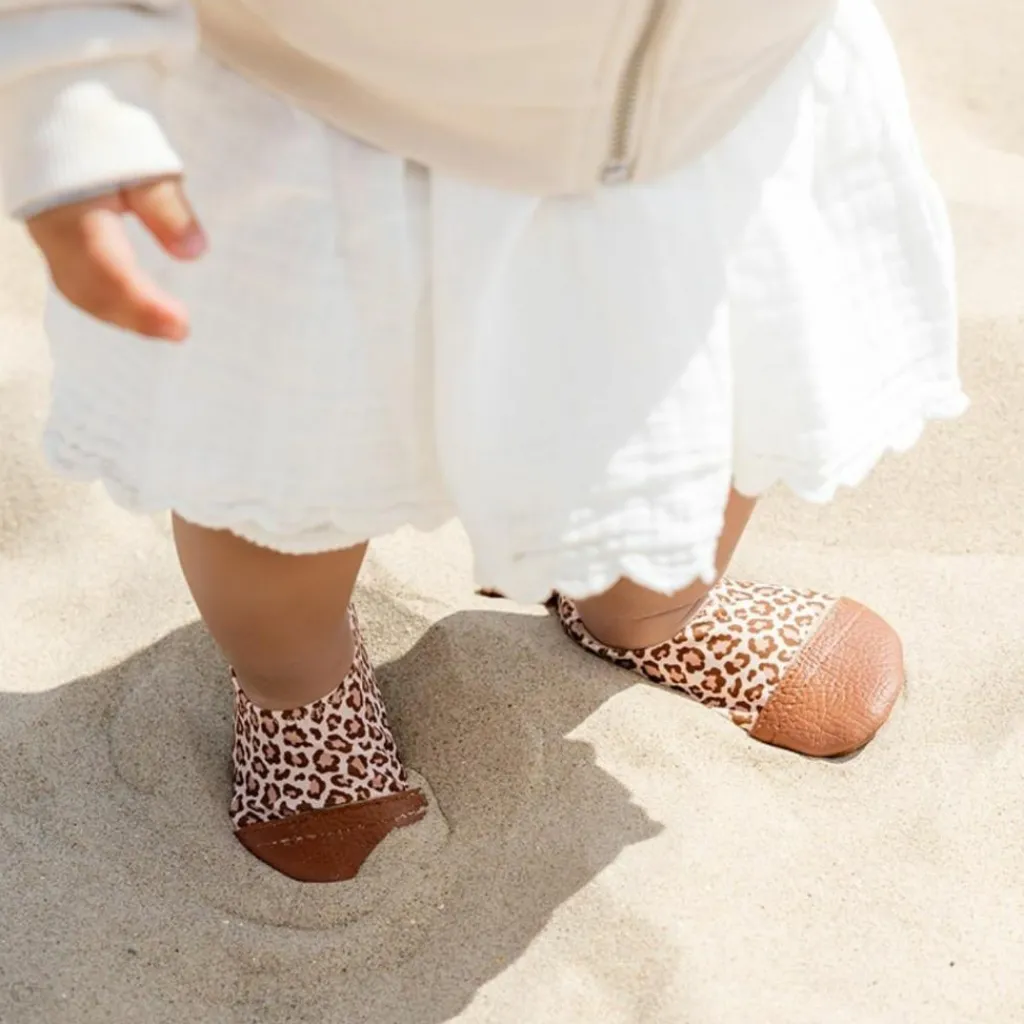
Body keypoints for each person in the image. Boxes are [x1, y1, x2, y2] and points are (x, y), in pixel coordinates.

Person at [0, 0, 966, 882]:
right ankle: (295, 689)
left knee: (691, 398)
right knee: (286, 468)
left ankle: (651, 607)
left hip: (714, 100)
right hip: (323, 117)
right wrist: (67, 80)